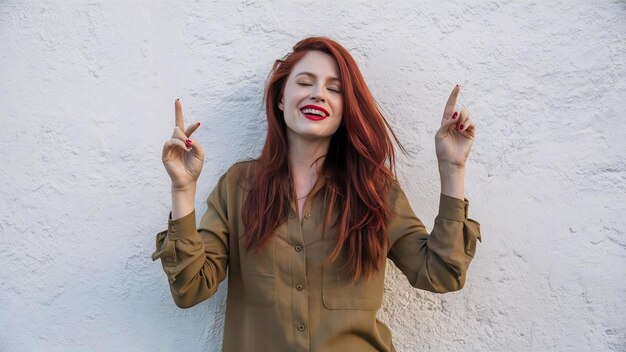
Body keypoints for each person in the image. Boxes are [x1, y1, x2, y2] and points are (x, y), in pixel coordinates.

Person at [152, 36, 481, 352]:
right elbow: (190, 288)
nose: (318, 94)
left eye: (334, 88)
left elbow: (440, 273)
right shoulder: (239, 186)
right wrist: (182, 188)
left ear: (344, 108)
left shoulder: (374, 191)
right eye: (305, 82)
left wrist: (453, 169)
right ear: (281, 98)